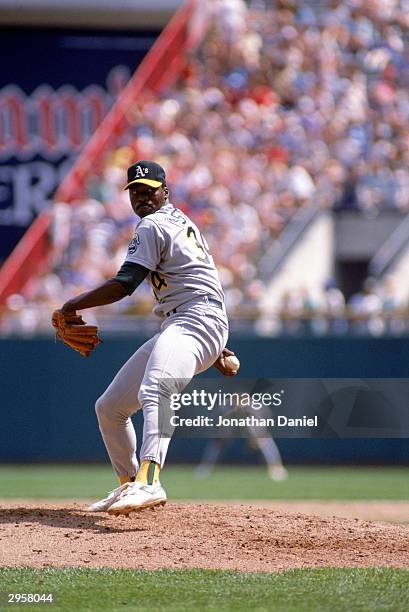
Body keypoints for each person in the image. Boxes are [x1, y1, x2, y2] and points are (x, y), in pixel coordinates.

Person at [56, 160, 235, 515]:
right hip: (192, 320)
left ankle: (150, 480)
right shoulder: (181, 222)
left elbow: (124, 285)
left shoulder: (153, 225)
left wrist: (71, 305)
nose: (141, 197)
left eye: (148, 189)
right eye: (135, 191)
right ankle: (130, 487)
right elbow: (197, 281)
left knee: (156, 388)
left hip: (194, 320)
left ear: (165, 191)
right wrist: (214, 345)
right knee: (110, 408)